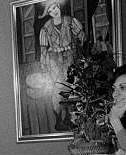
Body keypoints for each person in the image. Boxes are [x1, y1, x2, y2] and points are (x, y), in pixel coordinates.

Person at [38, 0, 85, 131]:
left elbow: (82, 38)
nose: (54, 10)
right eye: (50, 10)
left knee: (73, 86)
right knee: (58, 88)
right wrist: (44, 68)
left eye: (55, 7)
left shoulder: (71, 21)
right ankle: (59, 120)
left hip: (70, 56)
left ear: (58, 6)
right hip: (54, 59)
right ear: (47, 13)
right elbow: (43, 50)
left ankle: (70, 119)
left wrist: (80, 53)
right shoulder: (45, 28)